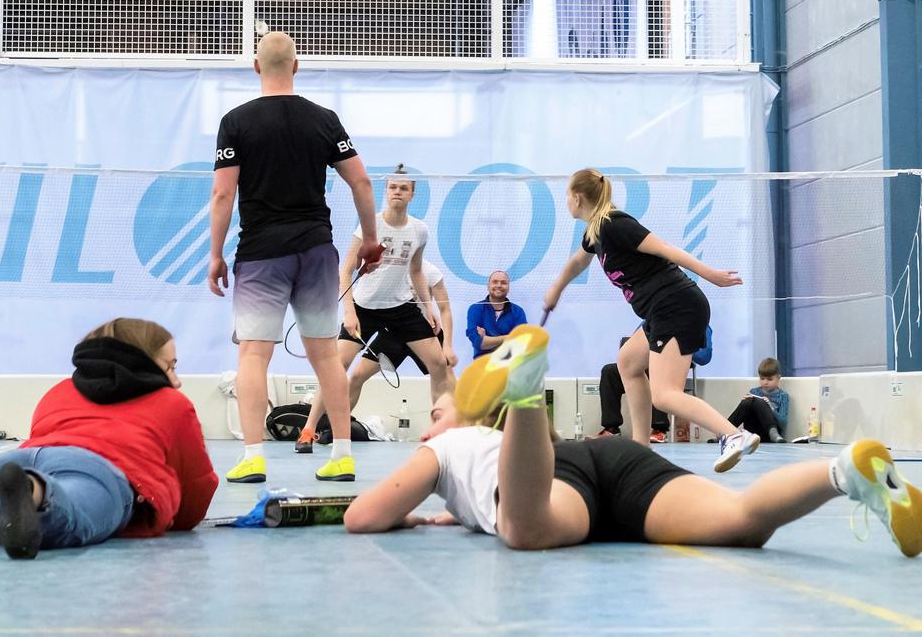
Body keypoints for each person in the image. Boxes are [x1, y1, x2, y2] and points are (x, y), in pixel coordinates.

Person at [344, 324, 922, 559]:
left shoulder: (443, 449)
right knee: (742, 520)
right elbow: (531, 465)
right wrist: (459, 513)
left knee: (525, 530)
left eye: (434, 415)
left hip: (563, 481)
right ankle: (847, 471)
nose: (428, 425)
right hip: (615, 459)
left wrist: (410, 514)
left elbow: (363, 516)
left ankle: (527, 389)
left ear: (474, 419)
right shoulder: (502, 452)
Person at [208, 32, 382, 484]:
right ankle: (341, 454)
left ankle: (253, 457)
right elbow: (362, 182)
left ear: (256, 67)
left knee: (253, 354)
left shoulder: (236, 122)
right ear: (296, 66)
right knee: (325, 355)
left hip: (261, 254)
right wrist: (370, 239)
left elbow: (223, 193)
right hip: (315, 250)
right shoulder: (323, 119)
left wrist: (215, 255)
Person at [0, 318, 218, 560]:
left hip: (21, 458)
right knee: (71, 511)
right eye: (169, 367)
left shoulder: (59, 390)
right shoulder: (172, 402)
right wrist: (177, 521)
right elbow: (197, 485)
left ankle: (29, 488)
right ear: (143, 362)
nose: (177, 380)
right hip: (99, 470)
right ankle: (35, 493)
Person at [543, 168, 756, 472]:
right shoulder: (595, 232)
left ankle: (733, 435)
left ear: (577, 198)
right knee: (628, 362)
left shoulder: (615, 224)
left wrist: (710, 274)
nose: (566, 202)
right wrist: (556, 289)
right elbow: (578, 261)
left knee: (665, 395)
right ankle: (641, 449)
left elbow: (665, 249)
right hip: (661, 309)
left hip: (676, 306)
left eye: (567, 196)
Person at [295, 167, 454, 462]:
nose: (397, 192)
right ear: (386, 190)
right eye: (393, 187)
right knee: (337, 367)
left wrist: (428, 307)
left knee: (439, 364)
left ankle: (440, 434)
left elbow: (416, 271)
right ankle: (308, 429)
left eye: (403, 188)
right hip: (365, 308)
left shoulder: (419, 230)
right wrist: (349, 312)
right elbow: (346, 271)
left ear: (412, 194)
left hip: (401, 309)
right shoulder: (370, 226)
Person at [296, 257, 459, 453]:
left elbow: (445, 310)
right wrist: (349, 311)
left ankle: (450, 431)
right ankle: (315, 429)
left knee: (443, 370)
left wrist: (448, 345)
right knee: (353, 374)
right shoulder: (381, 263)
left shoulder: (430, 272)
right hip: (389, 329)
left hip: (418, 327)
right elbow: (348, 272)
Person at [598, 326, 713, 443]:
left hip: (668, 367)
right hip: (645, 365)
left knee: (656, 372)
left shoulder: (700, 324)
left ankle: (659, 429)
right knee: (609, 371)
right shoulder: (651, 320)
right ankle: (611, 428)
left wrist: (676, 344)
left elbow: (704, 357)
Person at [726, 357, 790, 444]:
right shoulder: (754, 391)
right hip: (753, 431)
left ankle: (773, 434)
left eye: (769, 379)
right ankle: (724, 432)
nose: (765, 382)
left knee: (760, 402)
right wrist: (744, 403)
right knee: (748, 402)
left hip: (769, 433)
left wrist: (771, 407)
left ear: (778, 378)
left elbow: (783, 423)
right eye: (762, 378)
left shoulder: (783, 396)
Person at [466, 271, 528, 359]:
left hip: (509, 364)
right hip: (483, 363)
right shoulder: (476, 309)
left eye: (503, 283)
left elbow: (520, 342)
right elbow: (478, 343)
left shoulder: (518, 311)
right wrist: (511, 337)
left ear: (508, 288)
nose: (499, 285)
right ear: (488, 286)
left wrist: (487, 340)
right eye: (495, 282)